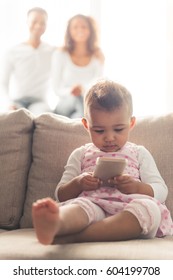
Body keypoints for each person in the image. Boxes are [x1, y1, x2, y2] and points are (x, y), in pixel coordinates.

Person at [32, 79, 173, 245]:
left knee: (150, 210)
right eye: (99, 130)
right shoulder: (81, 154)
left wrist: (137, 187)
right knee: (78, 207)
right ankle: (56, 223)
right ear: (86, 125)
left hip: (130, 209)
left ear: (131, 123)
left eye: (118, 129)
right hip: (92, 205)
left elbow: (161, 190)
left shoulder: (139, 152)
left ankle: (75, 237)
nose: (109, 137)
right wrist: (78, 183)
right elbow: (60, 194)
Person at [0, 7, 55, 114]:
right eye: (34, 21)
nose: (38, 25)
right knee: (14, 118)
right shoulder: (13, 51)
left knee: (44, 117)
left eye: (42, 22)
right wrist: (7, 103)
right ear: (27, 22)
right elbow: (2, 83)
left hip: (40, 103)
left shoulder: (52, 52)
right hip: (17, 101)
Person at [52, 14, 104, 118]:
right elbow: (56, 88)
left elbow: (98, 85)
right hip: (64, 105)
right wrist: (71, 91)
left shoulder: (97, 56)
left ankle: (79, 124)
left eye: (84, 27)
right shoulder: (60, 54)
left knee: (81, 109)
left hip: (86, 104)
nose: (80, 30)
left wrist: (82, 89)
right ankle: (83, 124)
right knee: (78, 99)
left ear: (90, 30)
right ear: (69, 31)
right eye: (75, 27)